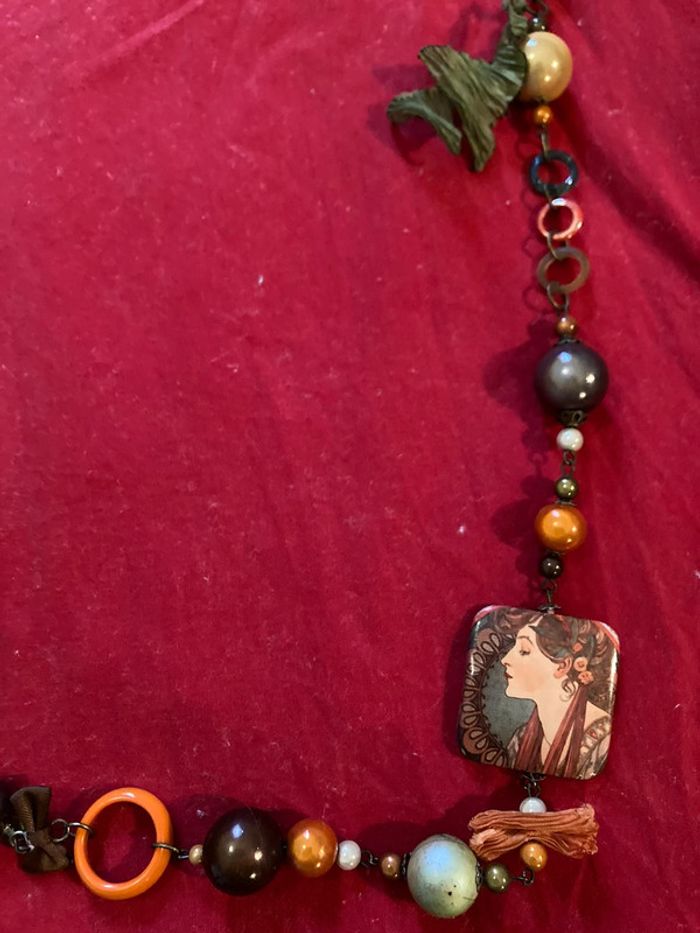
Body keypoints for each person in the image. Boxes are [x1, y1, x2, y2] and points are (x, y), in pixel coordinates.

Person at [498, 609, 616, 779]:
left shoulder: (601, 743)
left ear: (563, 666)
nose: (505, 659)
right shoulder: (521, 739)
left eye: (524, 651)